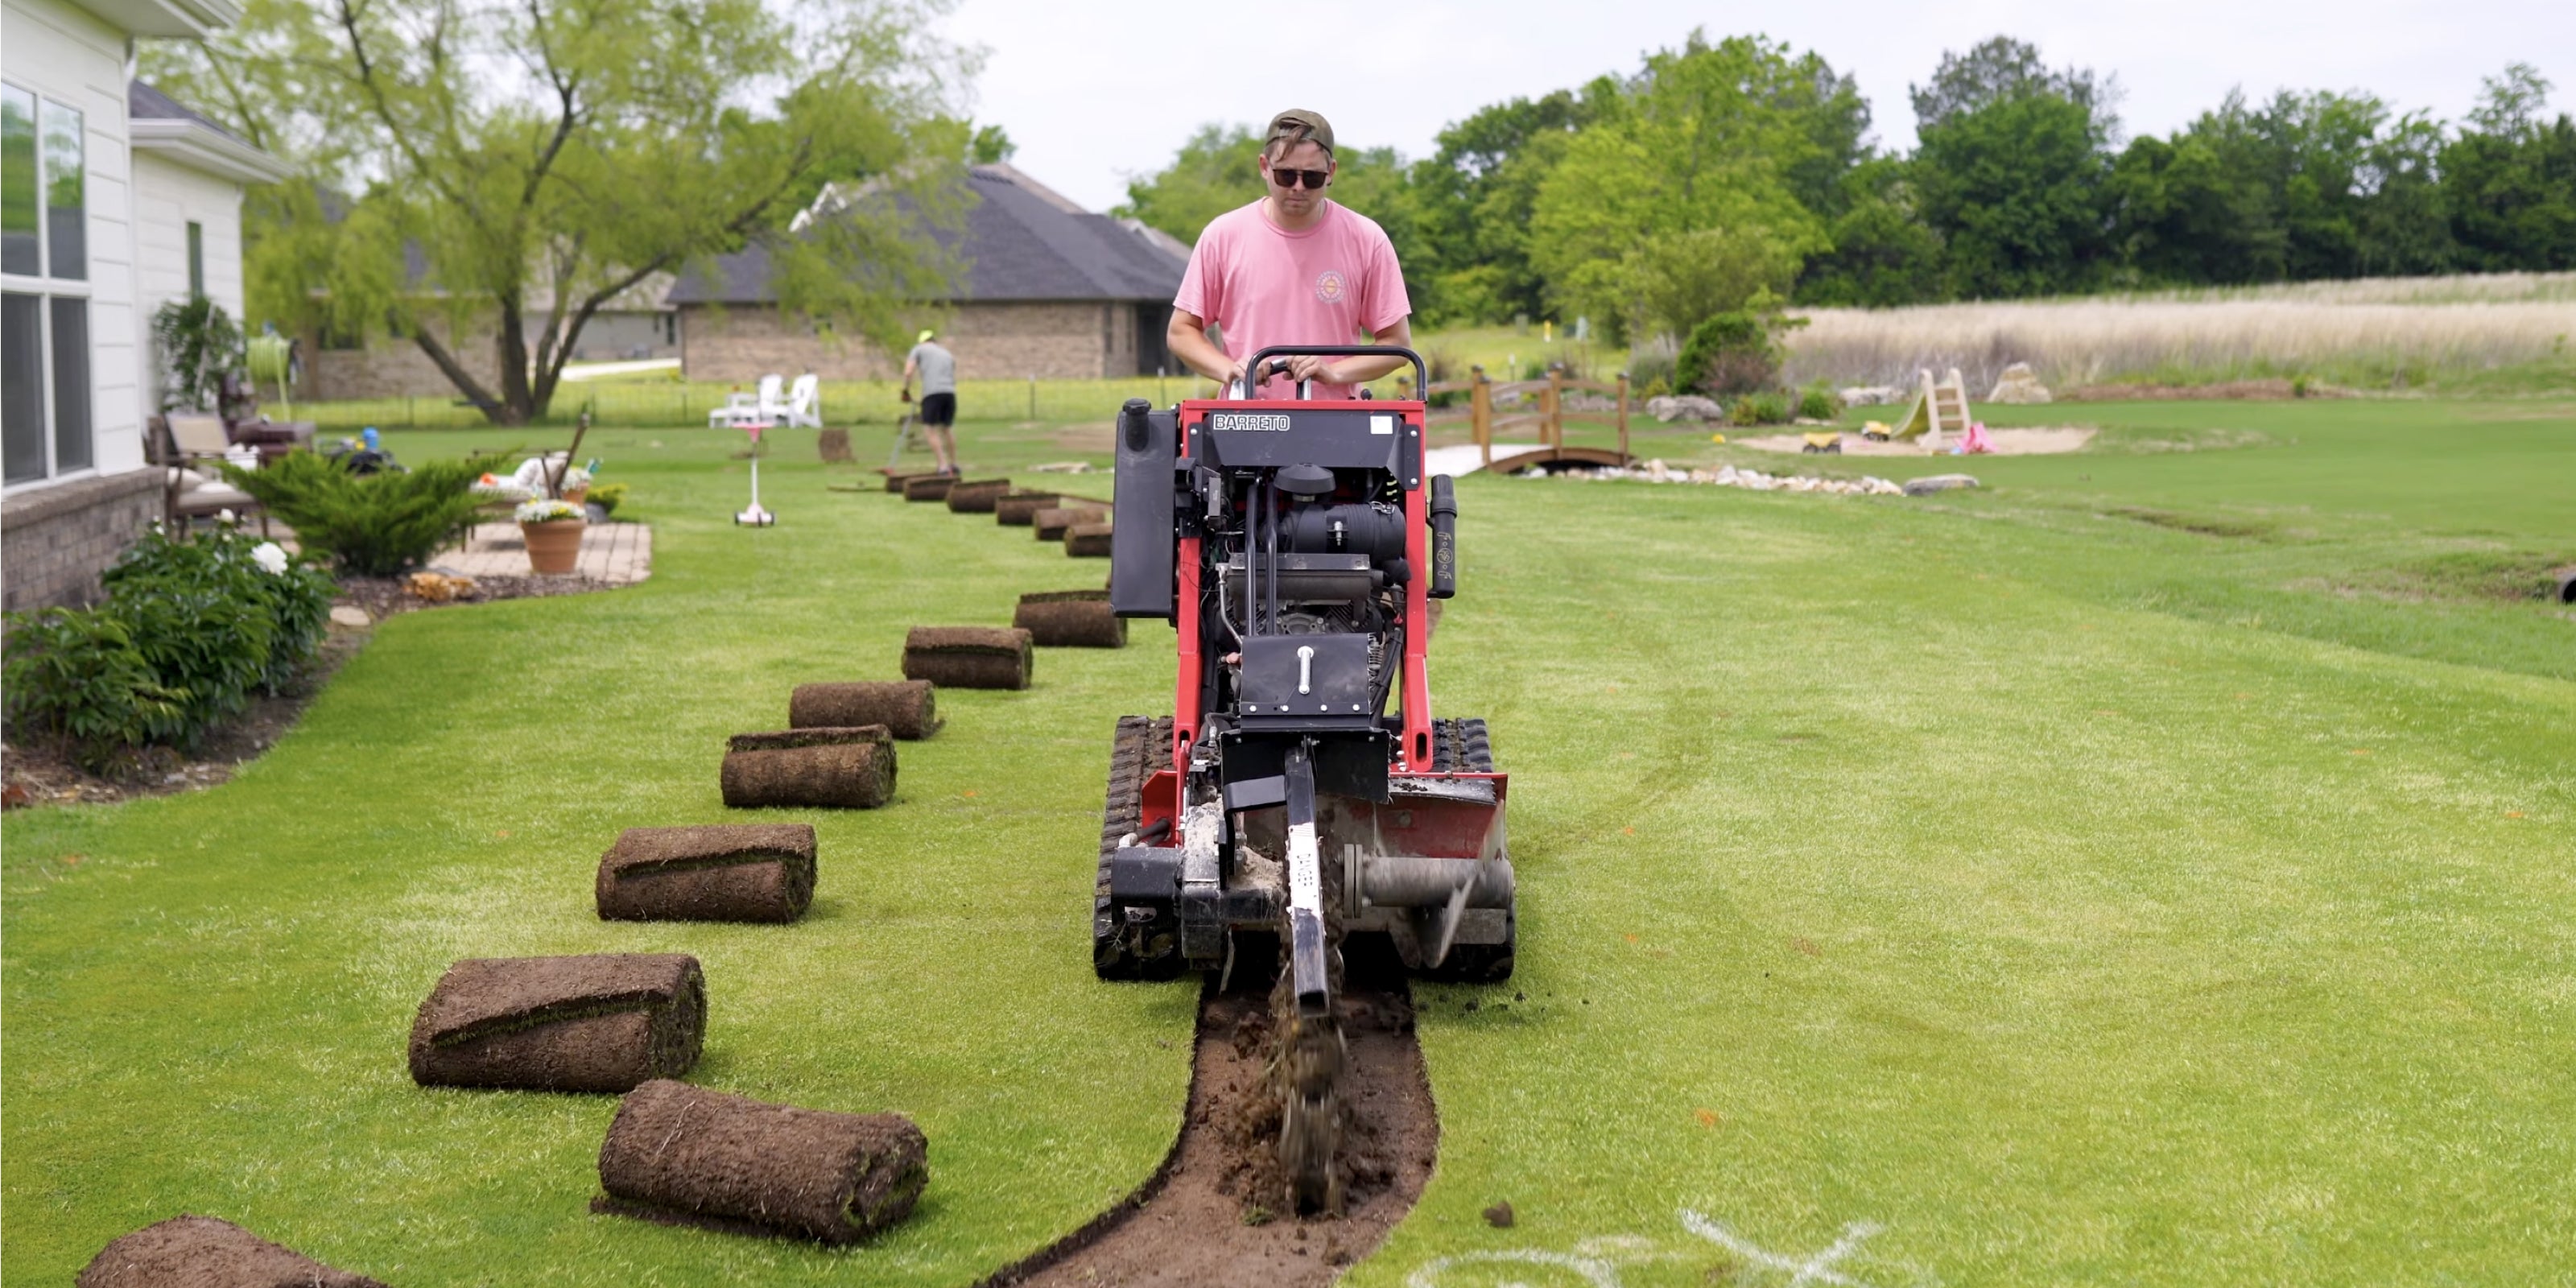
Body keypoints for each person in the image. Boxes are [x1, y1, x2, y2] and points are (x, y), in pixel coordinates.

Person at [1167, 109, 1413, 400]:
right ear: (1263, 167)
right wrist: (1231, 370)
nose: (1298, 187)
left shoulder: (1366, 239)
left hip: (1337, 425)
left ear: (1331, 172)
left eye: (1312, 178)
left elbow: (1397, 345)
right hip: (1245, 422)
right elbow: (1181, 331)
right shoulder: (1223, 236)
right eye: (1286, 175)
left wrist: (1334, 372)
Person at [900, 328, 959, 474]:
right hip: (950, 393)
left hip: (932, 393)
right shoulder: (946, 353)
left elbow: (908, 372)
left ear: (922, 341)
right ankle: (954, 464)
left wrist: (906, 391)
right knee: (947, 428)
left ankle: (943, 466)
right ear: (934, 340)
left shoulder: (918, 349)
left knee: (929, 429)